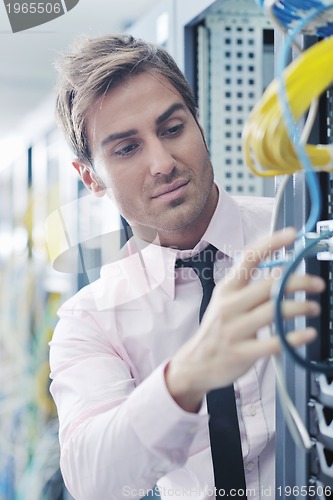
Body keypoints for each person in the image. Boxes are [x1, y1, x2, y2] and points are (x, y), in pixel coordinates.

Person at [49, 34, 324, 500]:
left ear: (198, 124)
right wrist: (189, 375)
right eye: (127, 149)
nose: (163, 163)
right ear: (91, 177)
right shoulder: (91, 320)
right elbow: (94, 481)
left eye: (173, 128)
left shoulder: (303, 236)